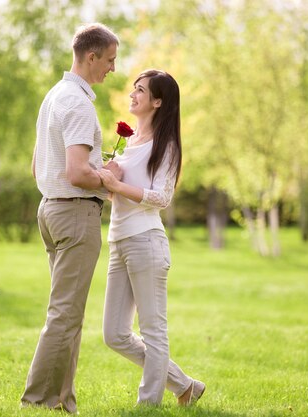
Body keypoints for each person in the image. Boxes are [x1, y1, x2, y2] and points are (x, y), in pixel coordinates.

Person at [21, 23, 122, 414]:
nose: (113, 68)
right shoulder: (78, 103)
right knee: (65, 315)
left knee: (68, 313)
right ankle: (38, 400)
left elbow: (38, 167)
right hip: (75, 213)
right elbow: (78, 173)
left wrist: (96, 167)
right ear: (91, 56)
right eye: (110, 60)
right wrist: (107, 178)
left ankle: (63, 401)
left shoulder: (53, 96)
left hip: (51, 211)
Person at [97, 69, 206, 406]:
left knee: (153, 331)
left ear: (158, 101)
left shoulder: (166, 145)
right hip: (119, 243)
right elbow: (121, 196)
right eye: (134, 89)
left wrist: (116, 185)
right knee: (114, 333)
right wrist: (109, 183)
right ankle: (185, 385)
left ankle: (148, 406)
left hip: (146, 242)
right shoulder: (129, 144)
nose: (133, 95)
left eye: (140, 91)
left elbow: (162, 197)